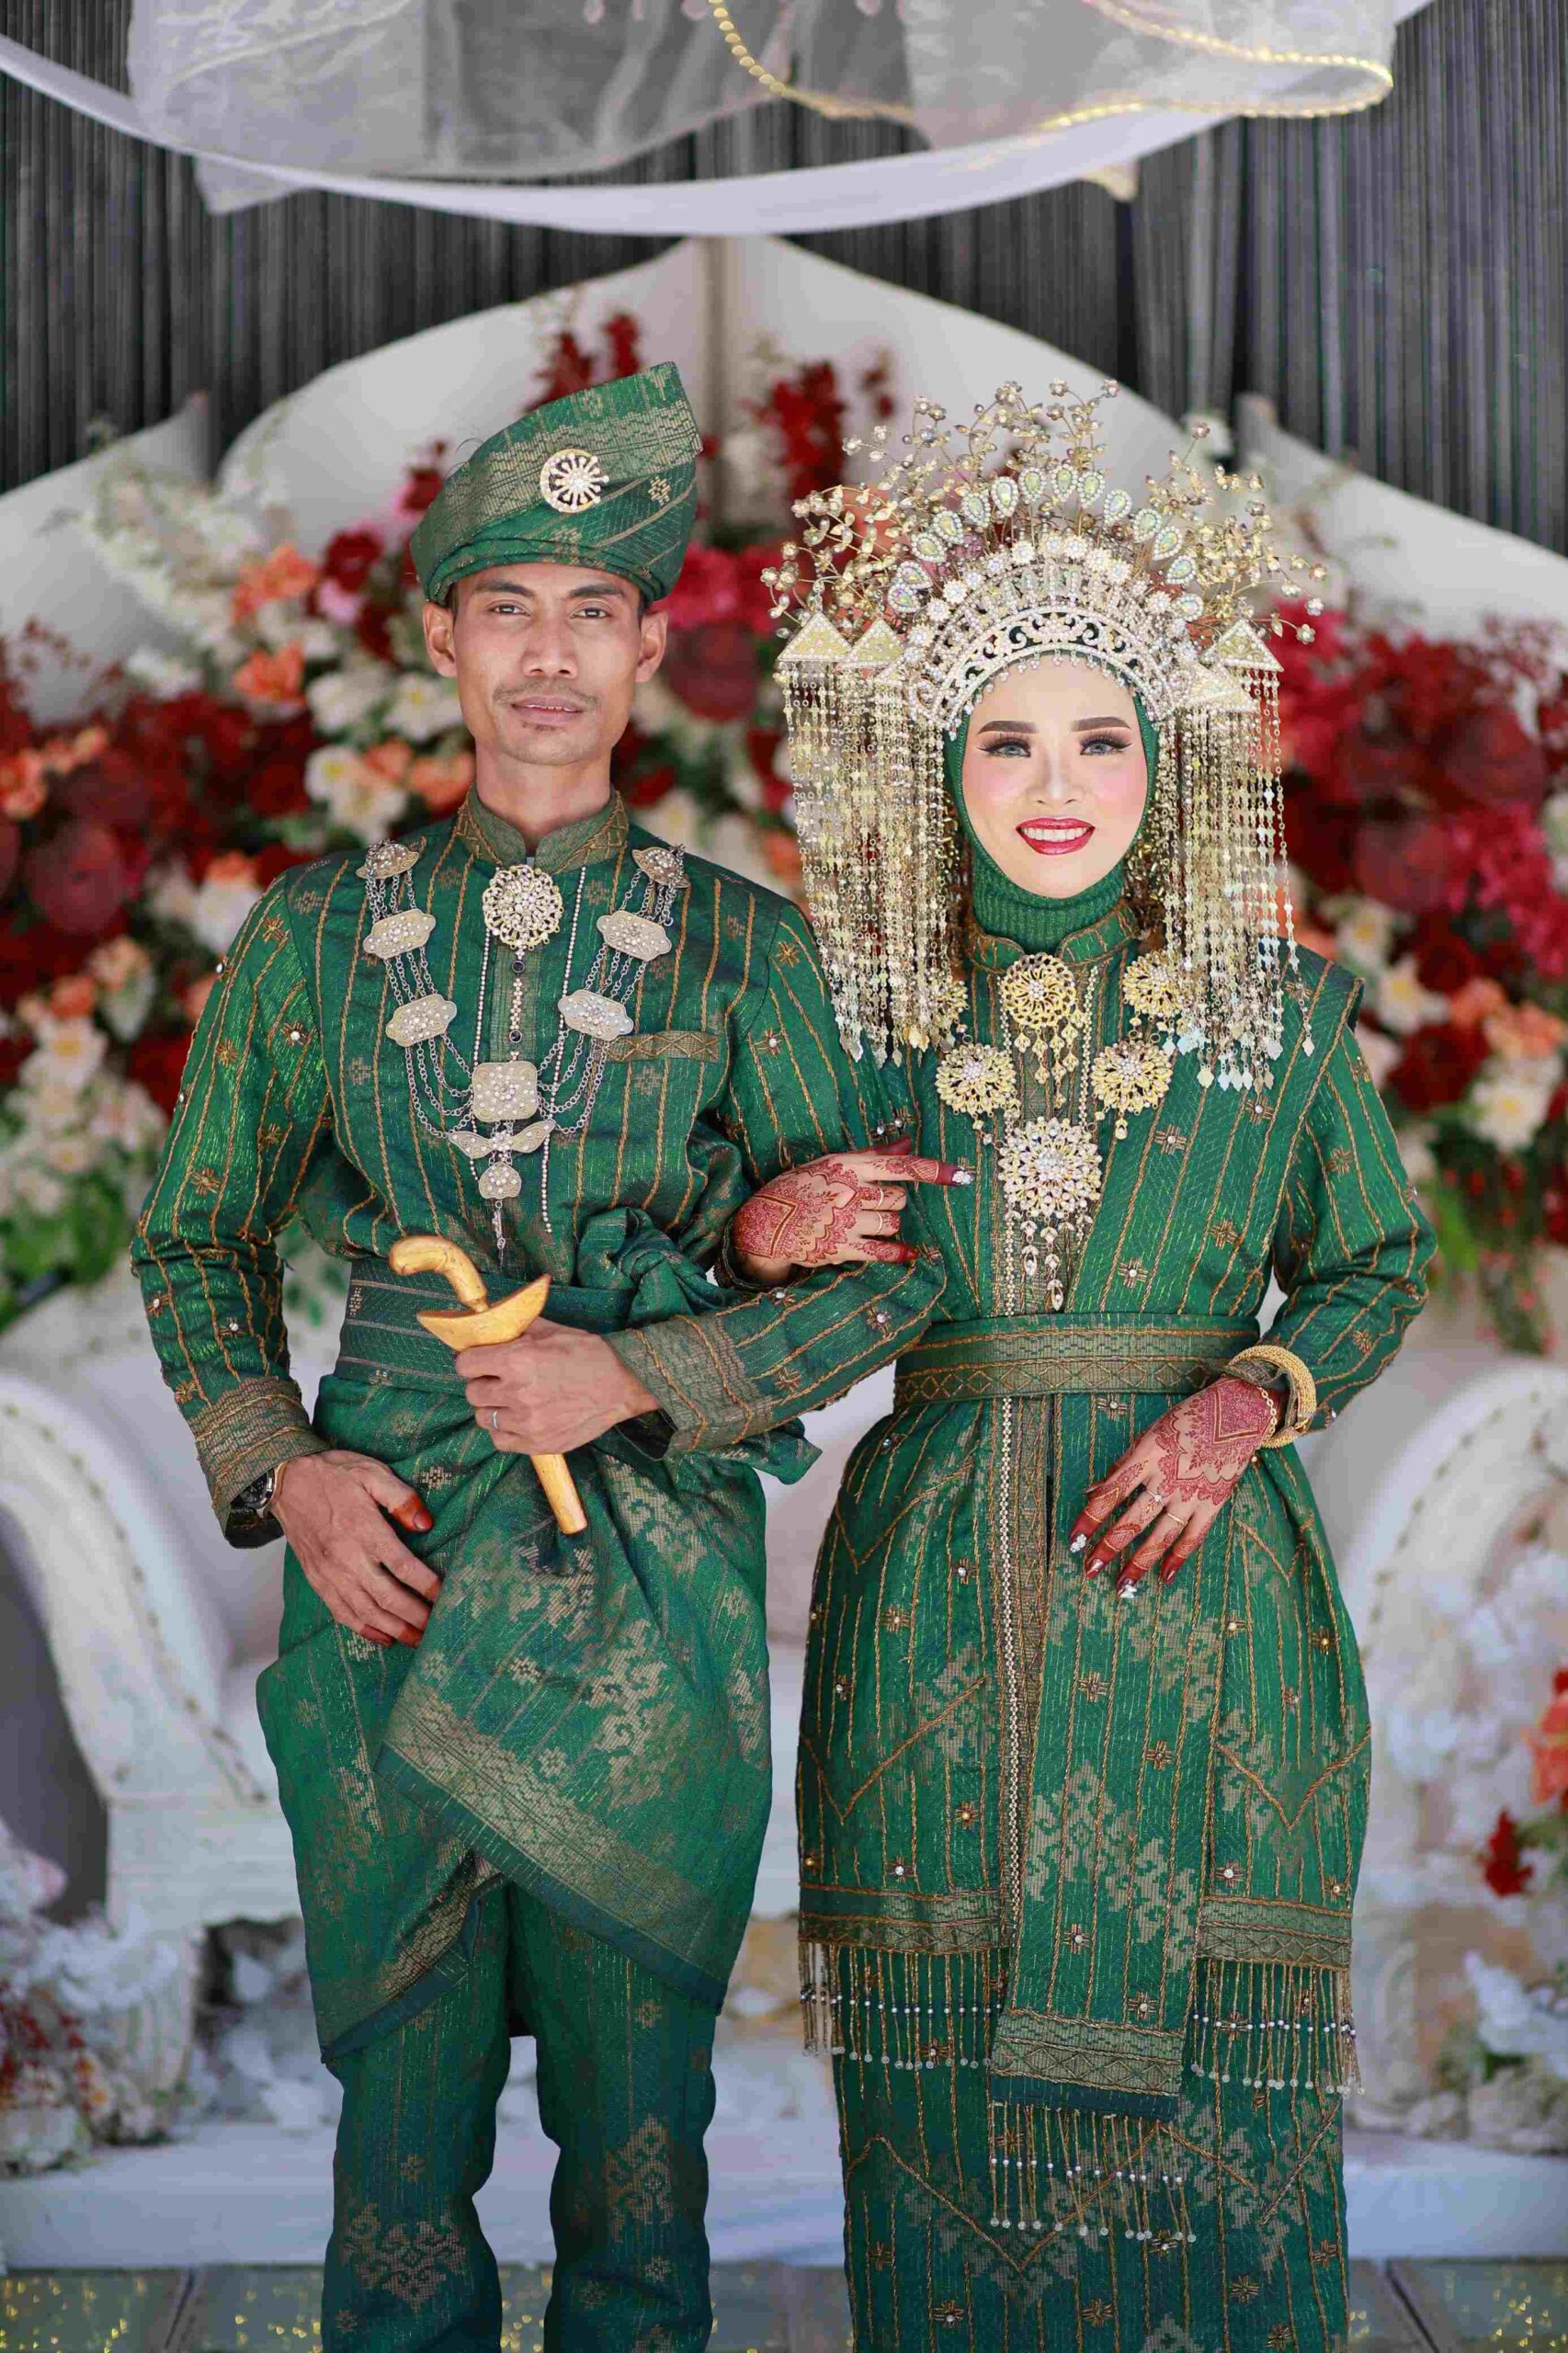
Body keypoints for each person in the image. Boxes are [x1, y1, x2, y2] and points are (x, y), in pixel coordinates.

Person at [131, 363, 963, 2353]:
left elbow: (888, 1278)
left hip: (644, 1578)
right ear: (440, 640)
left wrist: (643, 1376)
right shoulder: (313, 937)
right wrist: (287, 1469)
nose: (547, 654)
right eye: (506, 607)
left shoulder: (743, 948)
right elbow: (195, 1236)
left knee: (636, 2122)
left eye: (592, 610)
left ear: (649, 647)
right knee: (401, 2123)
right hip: (391, 1548)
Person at [730, 382, 1434, 2348]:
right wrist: (761, 1230)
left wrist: (1246, 1399)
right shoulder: (853, 1012)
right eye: (1008, 738)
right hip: (933, 1595)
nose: (1058, 784)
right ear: (936, 756)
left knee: (1221, 2059)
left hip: (1212, 1588)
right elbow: (730, 1279)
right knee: (939, 2054)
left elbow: (1375, 1266)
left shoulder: (1279, 1014)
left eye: (1100, 737)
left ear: (1166, 758)